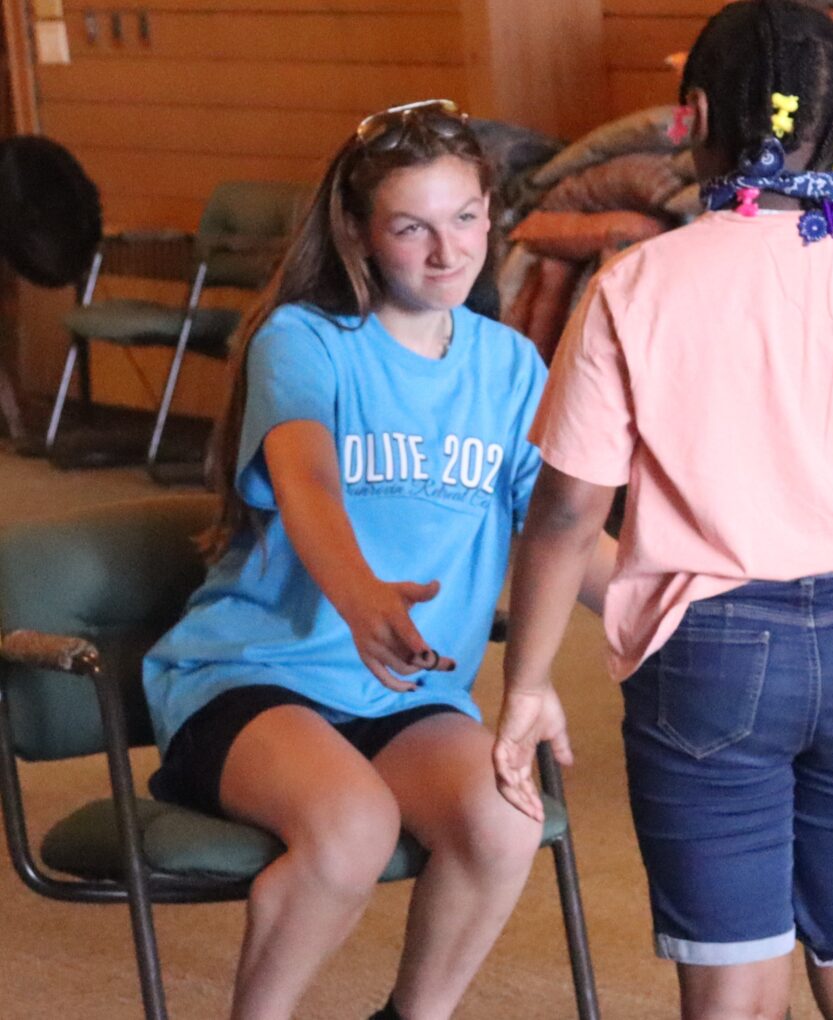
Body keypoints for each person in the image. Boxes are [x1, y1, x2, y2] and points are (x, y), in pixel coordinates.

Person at [492, 3, 833, 1019]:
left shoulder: (635, 283)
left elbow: (563, 514)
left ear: (691, 118)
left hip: (709, 653)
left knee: (734, 997)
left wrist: (526, 685)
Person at [142, 100, 611, 1020]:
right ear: (358, 232)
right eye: (412, 227)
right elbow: (308, 482)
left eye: (465, 218)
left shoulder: (510, 364)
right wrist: (360, 600)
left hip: (410, 696)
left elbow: (564, 532)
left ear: (491, 212)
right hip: (254, 681)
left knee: (504, 819)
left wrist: (690, 602)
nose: (448, 251)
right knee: (352, 827)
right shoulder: (306, 341)